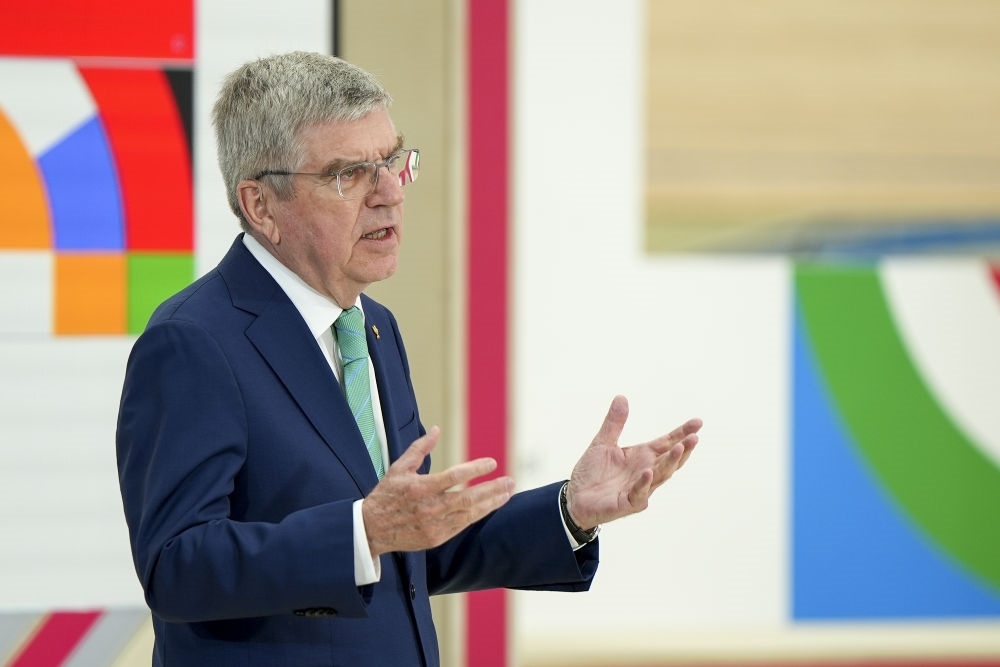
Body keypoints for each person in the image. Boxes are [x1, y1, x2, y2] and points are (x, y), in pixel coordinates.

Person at [116, 51, 702, 667]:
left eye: (393, 162)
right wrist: (362, 532)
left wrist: (570, 511)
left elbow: (413, 546)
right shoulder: (193, 342)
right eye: (349, 174)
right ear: (261, 205)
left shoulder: (373, 327)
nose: (391, 194)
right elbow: (175, 567)